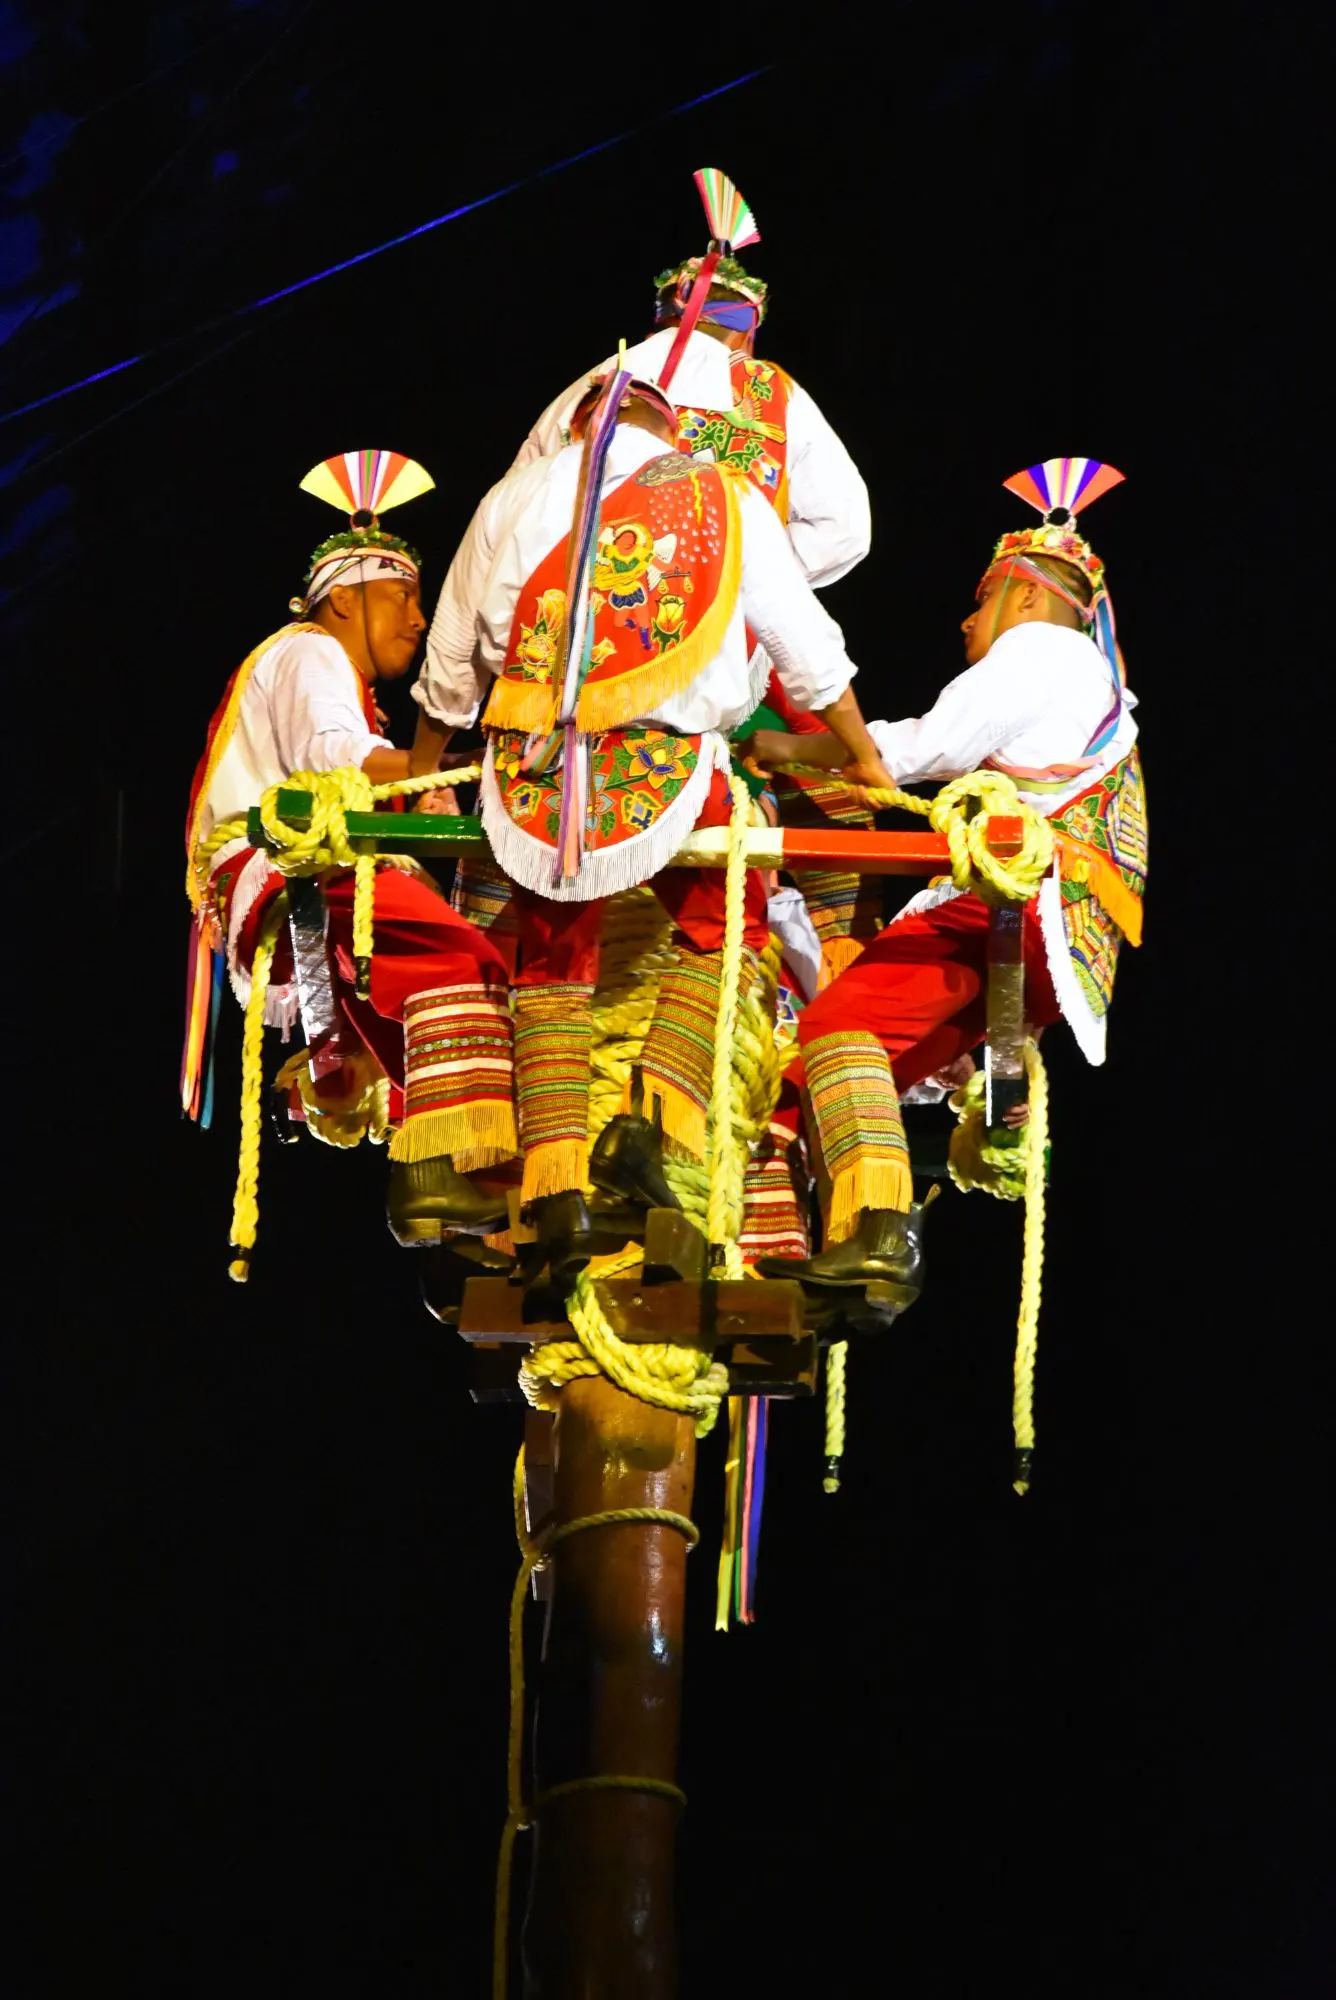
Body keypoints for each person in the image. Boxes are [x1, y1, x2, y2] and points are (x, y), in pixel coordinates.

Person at [412, 369, 891, 1275]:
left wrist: (425, 765)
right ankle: (655, 1112)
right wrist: (861, 755)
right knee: (739, 927)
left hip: (535, 777)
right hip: (667, 767)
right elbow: (805, 644)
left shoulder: (515, 493)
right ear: (668, 429)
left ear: (583, 423)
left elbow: (451, 656)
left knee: (552, 961)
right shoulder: (719, 490)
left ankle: (557, 1195)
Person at [750, 458, 1147, 1296]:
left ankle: (880, 1234)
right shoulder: (1093, 682)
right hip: (1050, 933)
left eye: (980, 602)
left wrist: (795, 748)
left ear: (1027, 597)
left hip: (1013, 906)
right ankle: (780, 1237)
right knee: (837, 1075)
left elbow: (928, 749)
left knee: (835, 1033)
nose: (968, 625)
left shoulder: (1044, 650)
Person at [184, 451, 518, 1248]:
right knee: (463, 961)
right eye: (403, 596)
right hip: (289, 871)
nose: (419, 617)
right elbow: (335, 756)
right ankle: (436, 1174)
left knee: (418, 1015)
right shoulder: (309, 651)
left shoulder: (333, 674)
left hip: (299, 880)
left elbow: (356, 760)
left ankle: (453, 1179)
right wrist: (465, 770)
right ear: (344, 600)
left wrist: (414, 783)